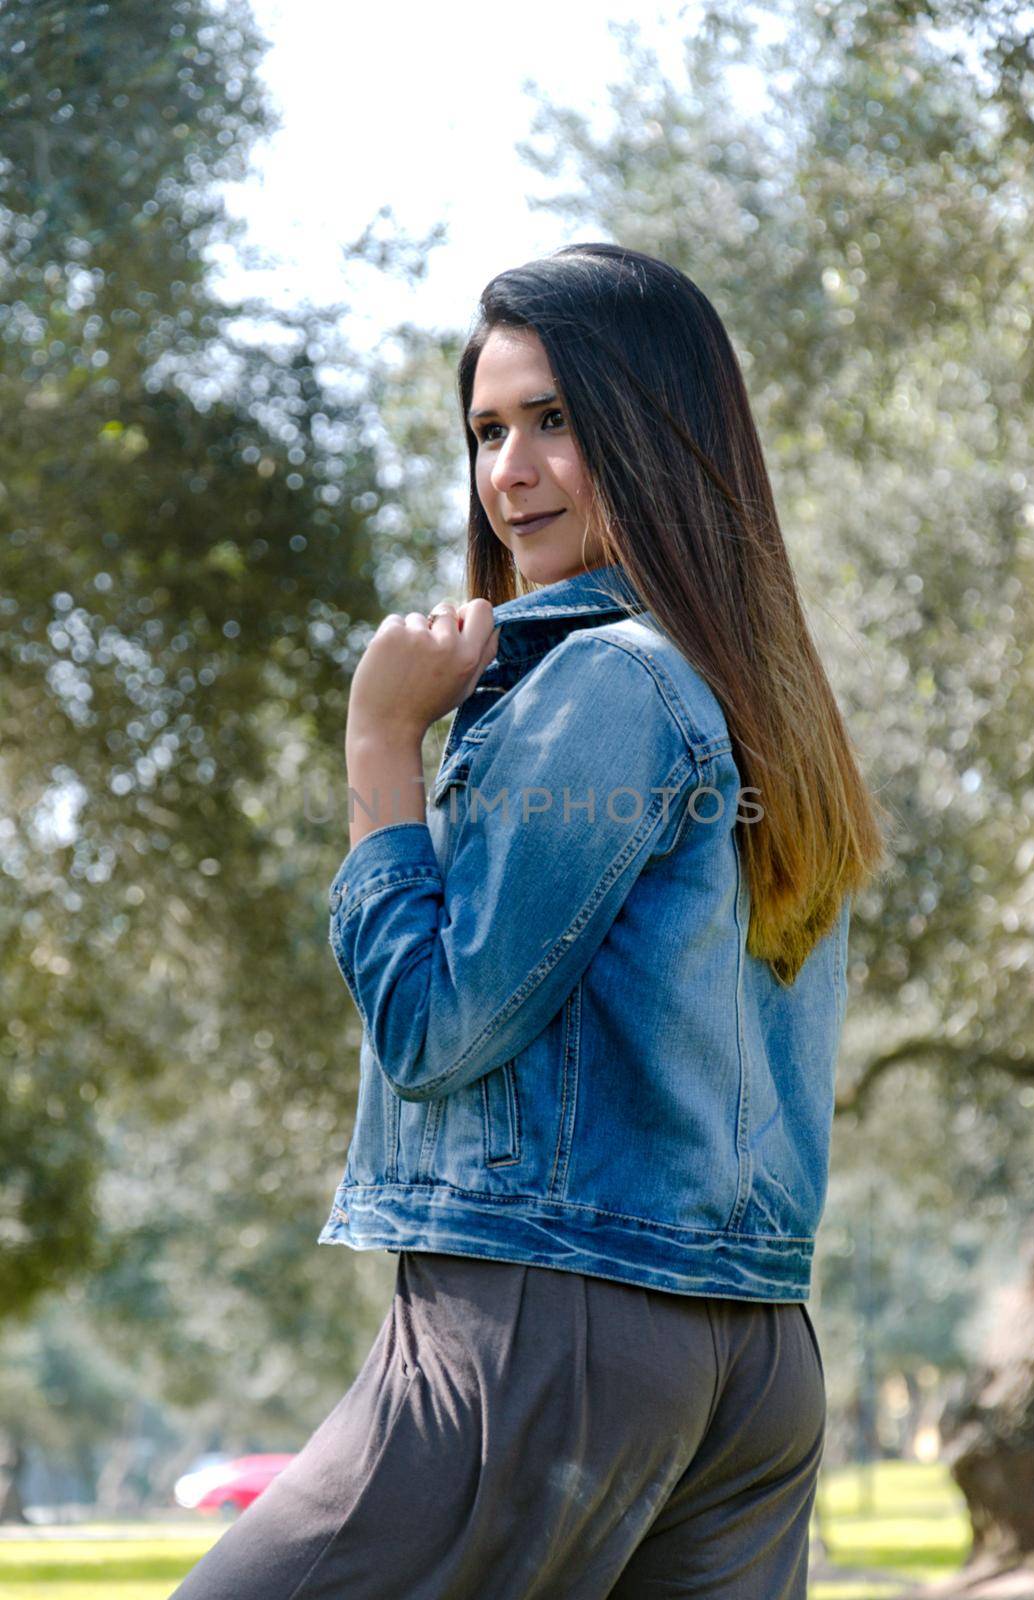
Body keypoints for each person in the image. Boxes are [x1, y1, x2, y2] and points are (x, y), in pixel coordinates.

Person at [172, 243, 889, 1599]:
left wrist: (380, 747)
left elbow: (438, 1031)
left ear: (659, 434)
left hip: (547, 1323)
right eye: (488, 429)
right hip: (755, 1362)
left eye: (556, 420)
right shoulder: (763, 699)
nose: (509, 472)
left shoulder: (601, 688)